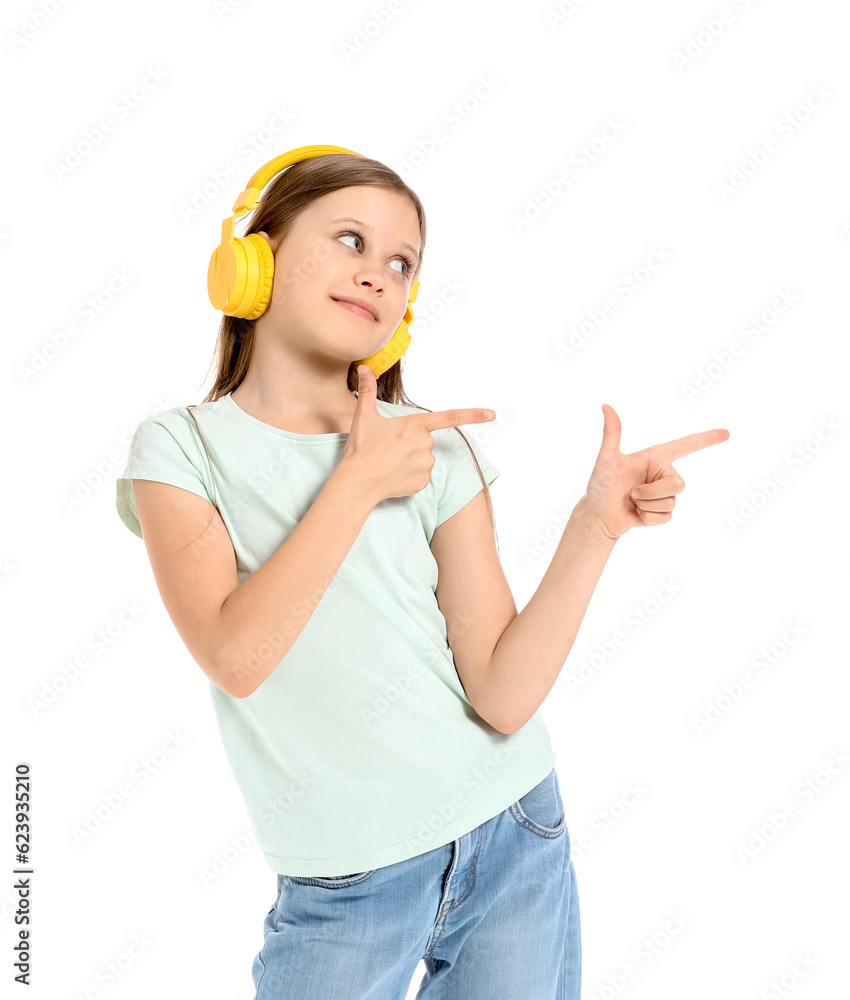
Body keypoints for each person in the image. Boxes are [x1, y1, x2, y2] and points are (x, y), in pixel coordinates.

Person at [115, 149, 729, 1000]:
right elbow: (236, 656)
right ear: (251, 262)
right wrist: (358, 481)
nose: (377, 275)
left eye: (400, 264)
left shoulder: (435, 446)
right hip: (345, 879)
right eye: (350, 242)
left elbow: (503, 695)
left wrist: (595, 529)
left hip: (512, 827)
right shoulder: (180, 450)